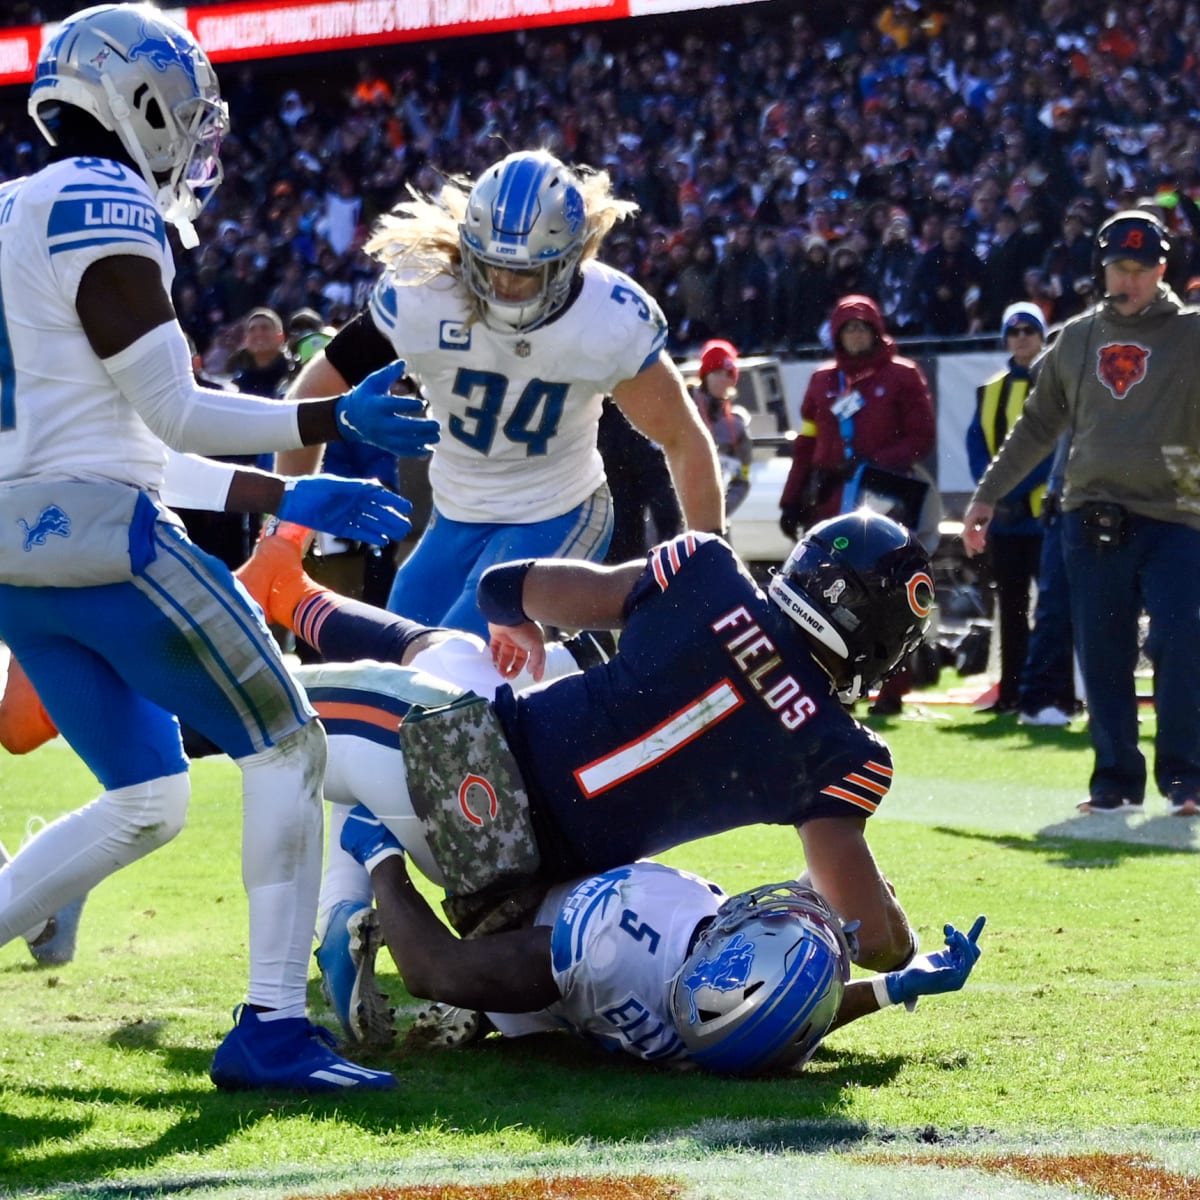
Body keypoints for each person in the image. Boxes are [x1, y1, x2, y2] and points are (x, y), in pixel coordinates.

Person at [0, 3, 440, 1094]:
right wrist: (327, 424)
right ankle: (273, 1029)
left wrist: (291, 487)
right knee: (287, 746)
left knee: (151, 798)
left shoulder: (10, 206)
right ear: (139, 97)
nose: (194, 137)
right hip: (109, 554)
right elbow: (177, 411)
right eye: (184, 112)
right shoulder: (102, 204)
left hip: (18, 557)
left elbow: (125, 437)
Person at [226, 508, 936, 1045]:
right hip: (523, 893)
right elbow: (871, 937)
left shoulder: (706, 571)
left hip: (460, 774)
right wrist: (904, 943)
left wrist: (518, 626)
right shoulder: (845, 754)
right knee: (442, 665)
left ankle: (339, 903)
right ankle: (358, 884)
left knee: (247, 703)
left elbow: (506, 585)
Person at [283, 148, 724, 638]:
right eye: (491, 264)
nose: (504, 283)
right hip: (456, 515)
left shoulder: (608, 316)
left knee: (449, 669)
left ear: (569, 260)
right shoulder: (426, 291)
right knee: (391, 668)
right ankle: (577, 666)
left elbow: (682, 437)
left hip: (558, 510)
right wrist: (286, 522)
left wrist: (712, 566)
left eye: (525, 271)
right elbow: (315, 392)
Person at [341, 828, 987, 1074]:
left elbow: (434, 970)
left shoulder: (613, 944)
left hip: (508, 902)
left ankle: (352, 924)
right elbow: (783, 1014)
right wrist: (894, 987)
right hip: (570, 943)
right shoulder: (719, 1030)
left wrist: (379, 855)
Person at [962, 210, 1200, 818]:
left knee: (1180, 641)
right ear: (1102, 269)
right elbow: (1037, 426)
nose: (1131, 280)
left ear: (1162, 270)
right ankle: (1115, 782)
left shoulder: (1192, 333)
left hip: (1178, 518)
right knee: (1103, 651)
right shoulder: (1076, 338)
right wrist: (987, 494)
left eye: (1142, 270)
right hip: (1090, 519)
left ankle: (1187, 781)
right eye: (1121, 268)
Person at [777, 295, 937, 716]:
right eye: (848, 328)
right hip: (830, 502)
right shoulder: (822, 381)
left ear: (876, 330)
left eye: (863, 327)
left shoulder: (902, 376)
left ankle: (891, 689)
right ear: (836, 334)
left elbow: (922, 439)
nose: (856, 334)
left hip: (882, 503)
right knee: (825, 596)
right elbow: (806, 444)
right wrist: (791, 499)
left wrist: (873, 465)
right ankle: (826, 685)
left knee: (886, 597)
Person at [965, 302, 1053, 717]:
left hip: (1043, 516)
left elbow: (1055, 449)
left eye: (1029, 330)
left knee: (1054, 609)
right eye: (1014, 331)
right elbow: (977, 450)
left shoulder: (1055, 385)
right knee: (1012, 609)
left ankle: (1056, 692)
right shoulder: (989, 390)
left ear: (1042, 336)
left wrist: (1016, 490)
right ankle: (1012, 693)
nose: (1021, 337)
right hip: (1005, 520)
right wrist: (996, 494)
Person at [691, 339, 753, 517]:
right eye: (717, 372)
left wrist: (719, 511)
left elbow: (742, 478)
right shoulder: (680, 408)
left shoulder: (737, 425)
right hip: (670, 518)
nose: (723, 380)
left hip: (712, 520)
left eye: (728, 374)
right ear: (704, 375)